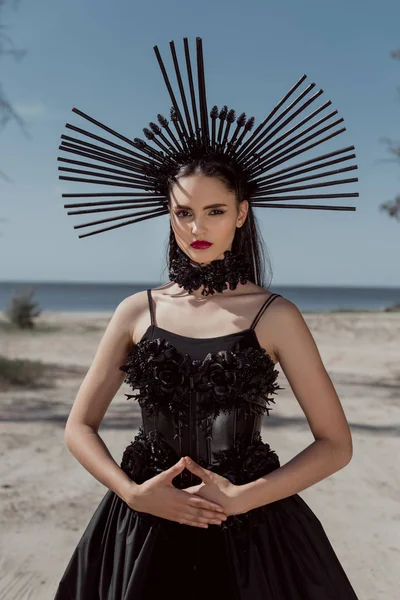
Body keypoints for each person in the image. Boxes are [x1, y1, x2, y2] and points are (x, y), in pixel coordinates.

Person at [54, 38, 360, 599]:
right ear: (168, 216)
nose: (198, 226)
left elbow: (335, 443)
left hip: (250, 531)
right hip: (141, 528)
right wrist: (133, 492)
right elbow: (78, 427)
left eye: (215, 210)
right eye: (184, 212)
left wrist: (244, 497)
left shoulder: (275, 316)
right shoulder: (135, 312)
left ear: (241, 213)